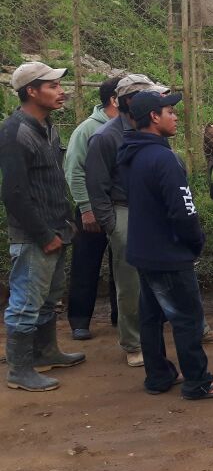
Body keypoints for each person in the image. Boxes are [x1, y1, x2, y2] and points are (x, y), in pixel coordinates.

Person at [118, 91, 213, 400]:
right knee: (187, 318)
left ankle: (158, 375)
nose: (175, 117)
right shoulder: (164, 158)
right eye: (169, 111)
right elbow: (184, 210)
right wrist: (194, 242)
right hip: (168, 253)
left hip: (143, 250)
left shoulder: (131, 154)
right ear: (153, 117)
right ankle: (198, 381)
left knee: (151, 316)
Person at [0, 61, 86, 391]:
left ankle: (45, 352)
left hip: (56, 228)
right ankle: (19, 369)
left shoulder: (48, 126)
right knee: (25, 302)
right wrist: (43, 234)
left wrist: (64, 224)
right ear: (31, 91)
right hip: (35, 235)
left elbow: (50, 179)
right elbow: (13, 193)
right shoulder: (14, 132)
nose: (61, 91)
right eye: (52, 86)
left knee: (48, 299)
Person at [85, 75, 165, 367]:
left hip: (154, 210)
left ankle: (190, 328)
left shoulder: (153, 129)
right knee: (130, 282)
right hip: (125, 211)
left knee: (170, 271)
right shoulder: (105, 137)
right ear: (130, 101)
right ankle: (132, 342)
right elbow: (97, 186)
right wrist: (113, 226)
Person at [63, 76, 120, 340]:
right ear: (114, 100)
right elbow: (74, 171)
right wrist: (86, 208)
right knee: (86, 265)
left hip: (119, 208)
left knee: (122, 264)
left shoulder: (128, 127)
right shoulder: (87, 129)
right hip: (93, 210)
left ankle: (121, 316)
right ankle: (79, 321)